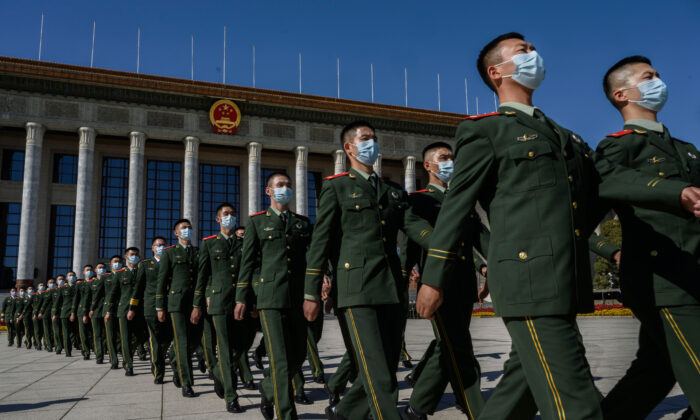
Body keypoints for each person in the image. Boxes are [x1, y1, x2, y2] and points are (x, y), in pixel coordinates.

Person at [416, 32, 700, 420]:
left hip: (563, 277)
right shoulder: (485, 130)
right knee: (576, 403)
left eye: (533, 48)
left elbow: (590, 205)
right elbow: (456, 209)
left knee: (521, 389)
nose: (535, 54)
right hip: (527, 276)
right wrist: (434, 278)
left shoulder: (566, 137)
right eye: (524, 51)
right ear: (496, 72)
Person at [303, 121, 434, 420]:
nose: (371, 143)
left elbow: (415, 227)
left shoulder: (393, 192)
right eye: (365, 138)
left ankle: (344, 413)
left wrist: (444, 243)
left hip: (390, 287)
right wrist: (311, 291)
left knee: (386, 364)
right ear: (348, 147)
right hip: (355, 288)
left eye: (374, 138)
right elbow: (320, 242)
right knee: (380, 375)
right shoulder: (336, 187)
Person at [596, 55, 700, 418]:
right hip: (661, 278)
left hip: (691, 270)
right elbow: (609, 181)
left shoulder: (685, 148)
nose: (659, 81)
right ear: (622, 93)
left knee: (655, 372)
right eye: (649, 76)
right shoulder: (619, 146)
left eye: (658, 74)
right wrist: (674, 191)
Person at [402, 142, 490, 420]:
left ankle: (417, 407)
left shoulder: (462, 199)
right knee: (459, 348)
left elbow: (478, 239)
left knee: (450, 346)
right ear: (427, 166)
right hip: (437, 284)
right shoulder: (418, 201)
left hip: (464, 284)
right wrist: (404, 282)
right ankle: (477, 410)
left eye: (452, 157)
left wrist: (491, 267)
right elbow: (413, 248)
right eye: (444, 158)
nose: (450, 162)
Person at [235, 172, 313, 420]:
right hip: (270, 297)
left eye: (288, 185)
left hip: (297, 296)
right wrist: (242, 297)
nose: (285, 189)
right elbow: (247, 264)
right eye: (280, 185)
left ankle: (268, 388)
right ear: (268, 191)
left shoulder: (301, 223)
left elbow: (309, 258)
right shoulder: (257, 222)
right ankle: (286, 414)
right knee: (279, 359)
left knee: (299, 354)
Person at [194, 202, 247, 413]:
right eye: (226, 214)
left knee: (241, 347)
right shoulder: (209, 244)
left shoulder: (244, 243)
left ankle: (218, 371)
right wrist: (201, 300)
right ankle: (231, 396)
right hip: (218, 301)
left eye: (233, 214)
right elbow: (203, 276)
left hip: (241, 301)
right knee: (224, 348)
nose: (230, 217)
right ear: (218, 219)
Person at [156, 218, 201, 398]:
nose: (187, 230)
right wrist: (160, 306)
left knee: (196, 340)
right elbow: (162, 282)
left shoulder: (198, 252)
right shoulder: (169, 254)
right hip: (177, 303)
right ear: (176, 233)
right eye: (184, 228)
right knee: (182, 341)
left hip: (195, 302)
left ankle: (174, 359)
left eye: (190, 227)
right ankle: (187, 383)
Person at [131, 237, 171, 384]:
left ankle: (160, 357)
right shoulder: (146, 265)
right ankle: (158, 371)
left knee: (167, 339)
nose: (160, 247)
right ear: (152, 248)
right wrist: (132, 307)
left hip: (169, 305)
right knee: (155, 339)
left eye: (163, 245)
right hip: (151, 306)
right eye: (157, 245)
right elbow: (138, 288)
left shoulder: (170, 262)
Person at [106, 247, 145, 377]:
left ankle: (127, 353)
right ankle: (128, 364)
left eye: (137, 255)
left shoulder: (142, 271)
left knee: (141, 336)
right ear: (126, 257)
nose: (135, 257)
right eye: (132, 254)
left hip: (140, 309)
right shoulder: (120, 274)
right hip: (123, 310)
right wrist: (109, 311)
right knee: (126, 338)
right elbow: (113, 294)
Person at [88, 263, 109, 364]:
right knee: (97, 334)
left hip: (106, 309)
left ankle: (105, 349)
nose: (102, 269)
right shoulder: (92, 283)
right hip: (95, 310)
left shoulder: (109, 280)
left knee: (106, 333)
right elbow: (88, 298)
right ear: (95, 270)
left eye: (103, 268)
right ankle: (99, 356)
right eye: (99, 268)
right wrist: (90, 309)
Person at [74, 266, 94, 360]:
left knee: (93, 332)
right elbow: (75, 300)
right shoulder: (80, 285)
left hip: (93, 310)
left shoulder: (95, 282)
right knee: (83, 333)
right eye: (87, 270)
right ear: (83, 272)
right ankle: (86, 351)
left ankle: (95, 348)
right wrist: (73, 313)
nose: (89, 272)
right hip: (81, 311)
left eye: (91, 270)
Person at [39, 279, 55, 352]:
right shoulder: (44, 293)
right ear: (47, 285)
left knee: (53, 330)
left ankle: (52, 343)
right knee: (47, 331)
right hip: (45, 314)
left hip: (54, 314)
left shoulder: (57, 292)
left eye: (53, 282)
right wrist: (40, 312)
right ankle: (48, 345)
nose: (52, 284)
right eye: (50, 283)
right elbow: (40, 304)